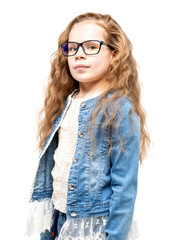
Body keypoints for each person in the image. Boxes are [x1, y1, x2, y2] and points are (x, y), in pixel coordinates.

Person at [26, 12, 150, 240]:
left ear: (114, 54)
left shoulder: (119, 110)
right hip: (58, 220)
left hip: (93, 227)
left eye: (91, 46)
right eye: (71, 48)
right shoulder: (66, 102)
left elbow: (124, 189)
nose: (78, 55)